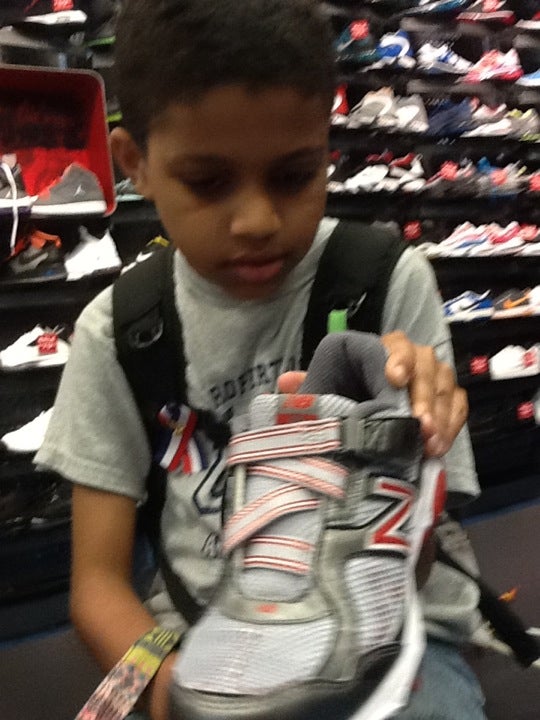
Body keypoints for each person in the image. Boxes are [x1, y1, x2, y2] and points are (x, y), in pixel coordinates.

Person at [35, 1, 486, 719]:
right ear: (135, 164)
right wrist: (166, 696)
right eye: (209, 183)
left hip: (393, 624)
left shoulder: (386, 282)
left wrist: (414, 450)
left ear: (326, 149)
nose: (257, 221)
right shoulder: (116, 331)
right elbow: (96, 586)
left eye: (294, 176)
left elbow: (415, 565)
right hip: (200, 635)